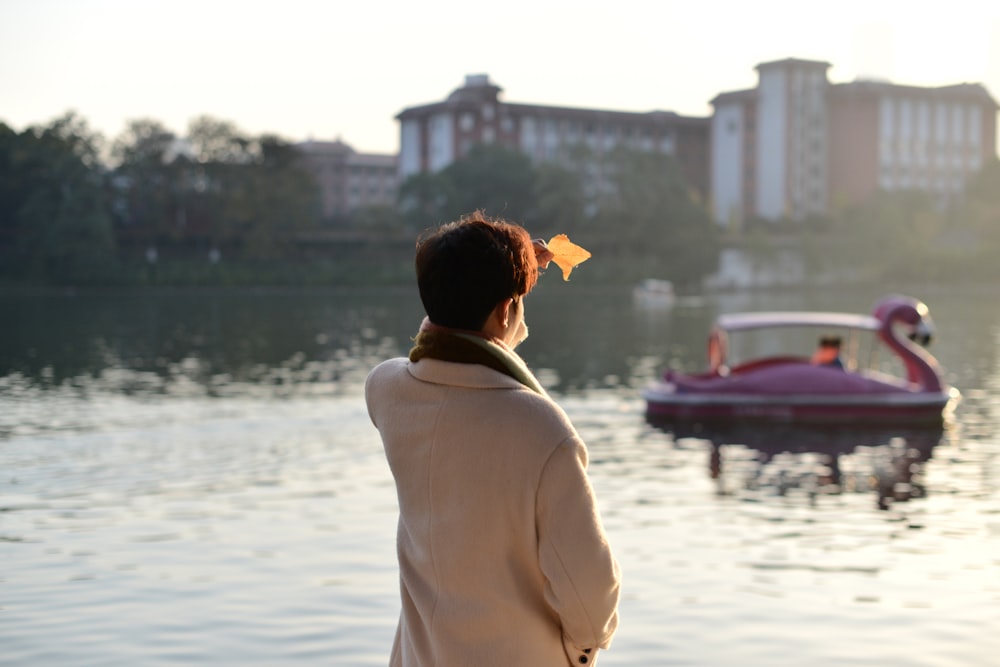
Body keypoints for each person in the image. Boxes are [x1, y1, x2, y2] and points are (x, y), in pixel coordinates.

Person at [365, 210, 621, 666]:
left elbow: (448, 340)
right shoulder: (542, 431)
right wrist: (578, 653)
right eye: (517, 303)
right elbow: (590, 598)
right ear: (505, 310)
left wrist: (494, 279)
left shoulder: (386, 393)